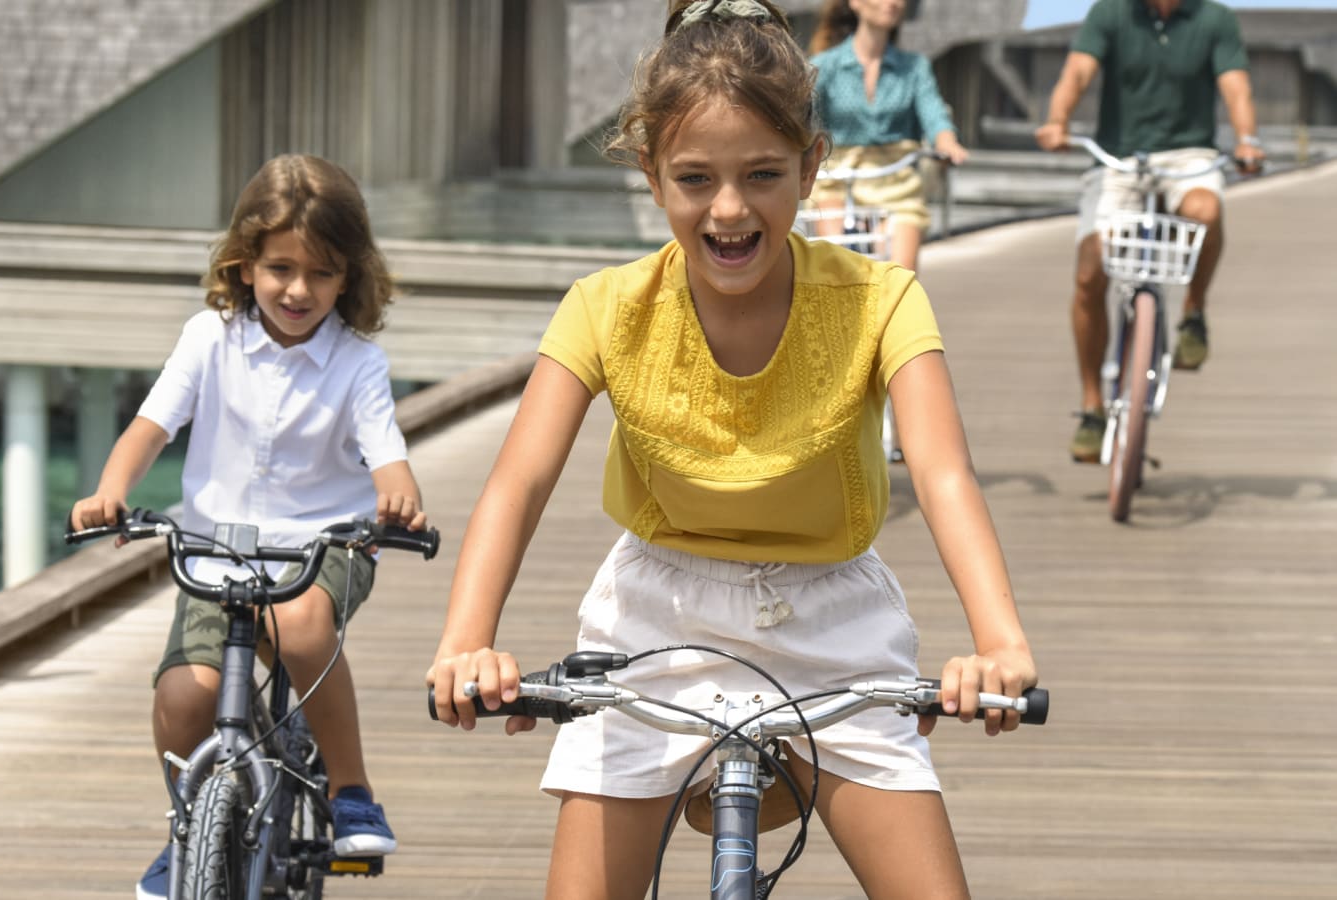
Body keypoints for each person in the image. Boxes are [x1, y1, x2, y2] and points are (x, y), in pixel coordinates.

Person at [426, 2, 1037, 898]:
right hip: (653, 618)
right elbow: (518, 482)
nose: (729, 209)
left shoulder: (881, 300)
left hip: (836, 618)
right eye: (694, 178)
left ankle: (783, 768)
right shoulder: (605, 306)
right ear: (650, 174)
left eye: (762, 174)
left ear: (812, 167)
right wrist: (465, 643)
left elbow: (945, 476)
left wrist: (1000, 642)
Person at [69, 154, 428, 900]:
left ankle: (351, 790)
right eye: (280, 268)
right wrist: (109, 490)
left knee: (298, 630)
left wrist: (398, 493)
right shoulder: (210, 338)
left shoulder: (358, 362)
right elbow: (151, 423)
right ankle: (188, 823)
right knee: (182, 697)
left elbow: (384, 449)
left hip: (324, 545)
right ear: (244, 266)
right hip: (215, 550)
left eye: (322, 273)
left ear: (349, 278)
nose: (298, 290)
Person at [1034, 0, 1265, 463]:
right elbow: (1078, 71)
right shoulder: (1111, 13)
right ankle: (1091, 405)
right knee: (1089, 274)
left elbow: (1235, 87)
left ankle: (1193, 315)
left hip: (1188, 154)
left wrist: (1247, 139)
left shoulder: (1214, 19)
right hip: (1120, 157)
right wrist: (1058, 119)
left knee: (1206, 211)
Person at [807, 0, 968, 273]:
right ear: (855, 4)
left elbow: (933, 113)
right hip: (837, 179)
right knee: (830, 269)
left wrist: (946, 141)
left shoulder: (915, 68)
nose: (892, 2)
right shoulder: (825, 66)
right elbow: (801, 114)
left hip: (896, 183)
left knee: (900, 278)